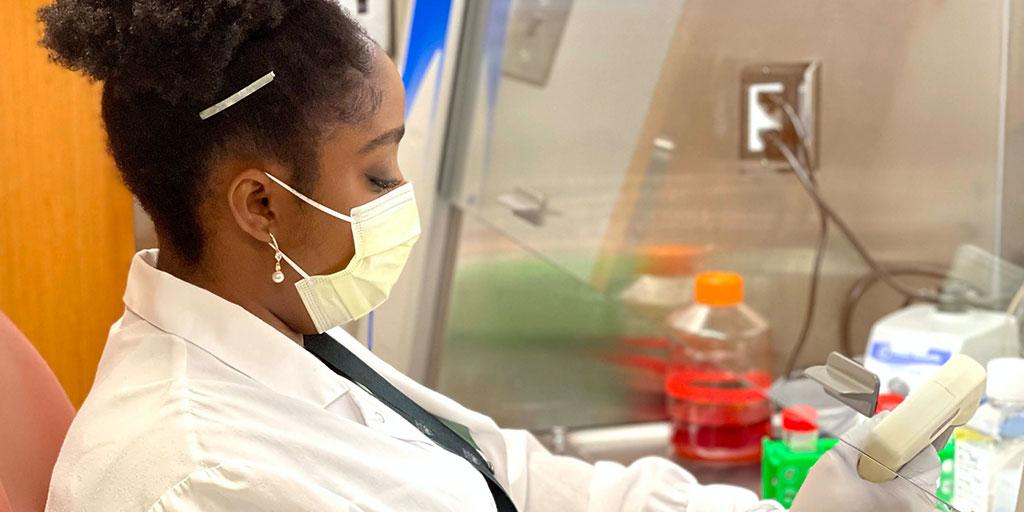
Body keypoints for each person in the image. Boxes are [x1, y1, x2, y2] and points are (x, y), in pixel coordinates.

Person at [38, 1, 940, 510]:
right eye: (379, 173)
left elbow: (511, 476)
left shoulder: (289, 336)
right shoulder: (198, 474)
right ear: (263, 204)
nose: (403, 203)